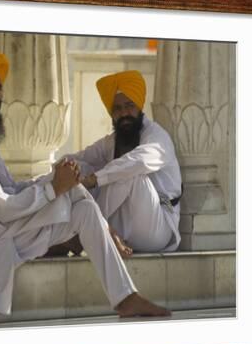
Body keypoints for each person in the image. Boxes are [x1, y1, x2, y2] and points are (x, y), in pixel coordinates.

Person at [0, 49, 170, 318]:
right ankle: (98, 253)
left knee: (81, 203)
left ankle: (125, 297)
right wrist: (53, 187)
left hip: (7, 225)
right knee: (75, 197)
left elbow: (9, 188)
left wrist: (56, 179)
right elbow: (2, 207)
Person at [62, 70, 182, 256]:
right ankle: (78, 229)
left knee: (129, 172)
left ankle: (84, 232)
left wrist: (94, 179)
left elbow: (137, 161)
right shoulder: (111, 142)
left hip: (156, 228)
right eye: (117, 109)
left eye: (129, 105)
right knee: (77, 167)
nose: (124, 113)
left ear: (139, 107)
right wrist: (61, 171)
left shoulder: (157, 137)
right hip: (121, 225)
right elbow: (77, 158)